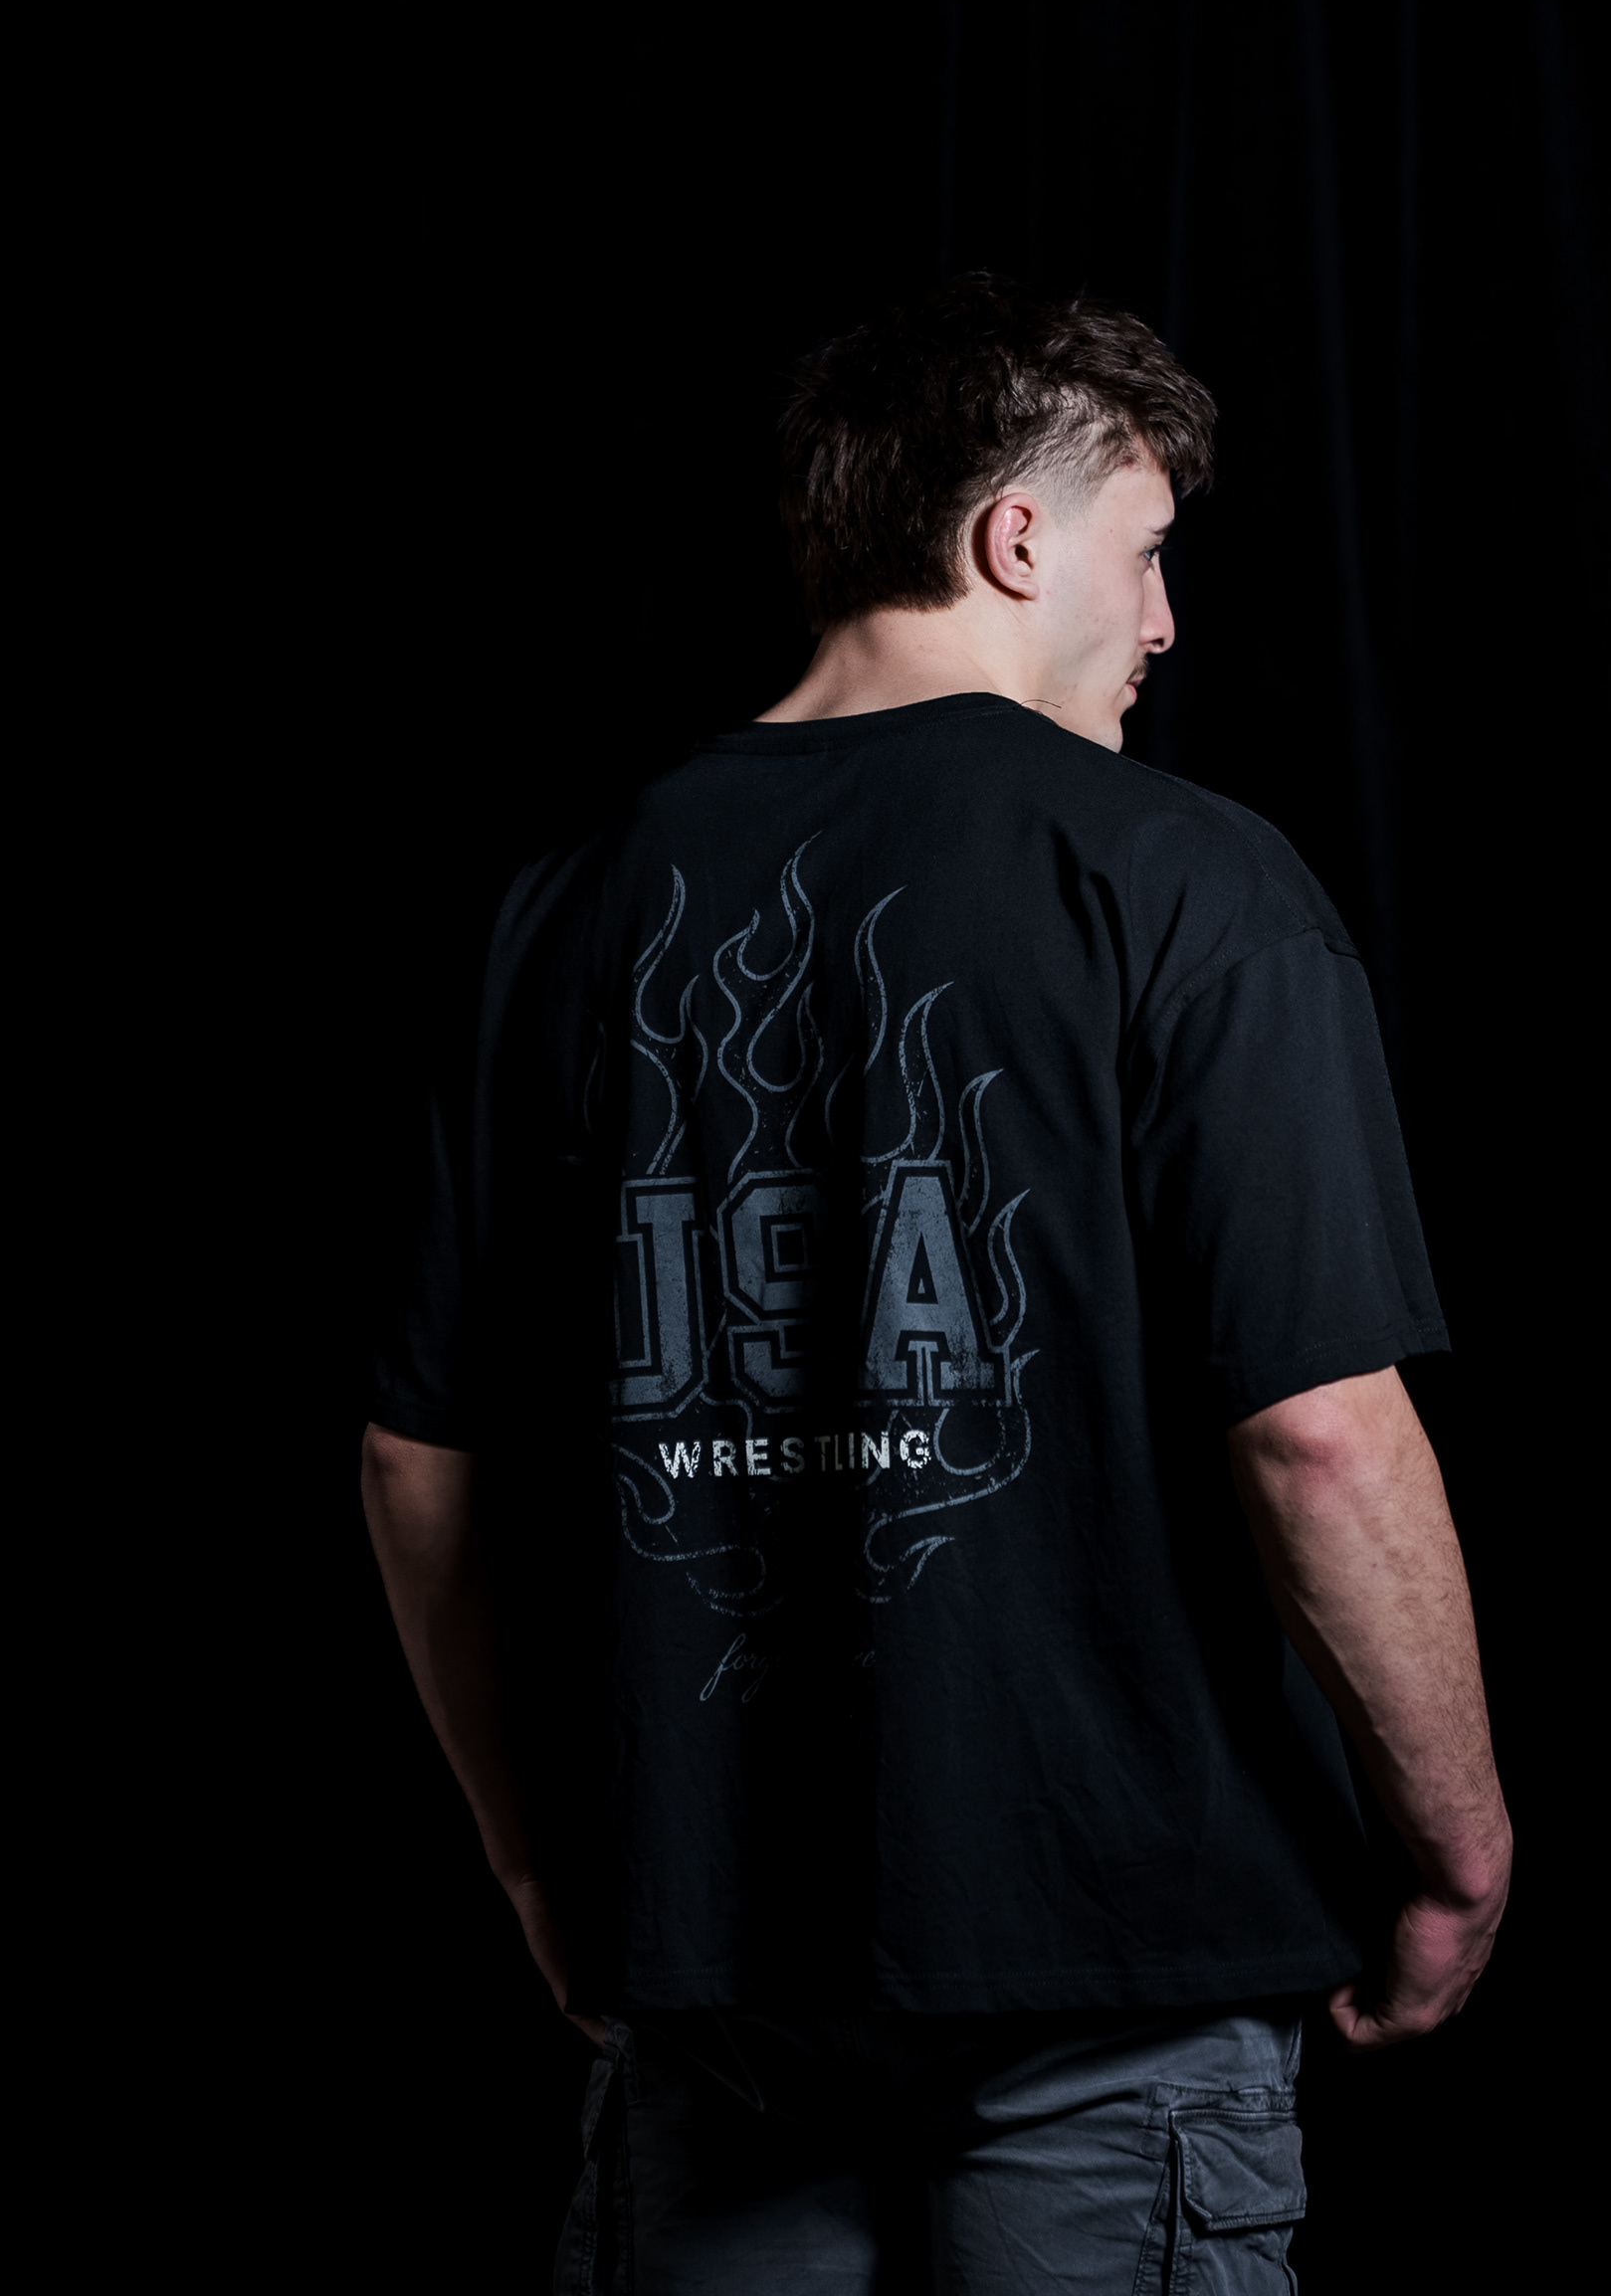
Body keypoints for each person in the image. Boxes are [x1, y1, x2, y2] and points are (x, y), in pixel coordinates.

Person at [363, 274, 1512, 2291]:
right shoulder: (1185, 880)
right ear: (1016, 537)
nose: (1165, 623)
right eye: (1146, 553)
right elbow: (1321, 1438)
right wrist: (1458, 1850)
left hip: (708, 1974)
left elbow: (415, 1466)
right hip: (1116, 1968)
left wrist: (541, 1865)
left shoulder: (561, 911)